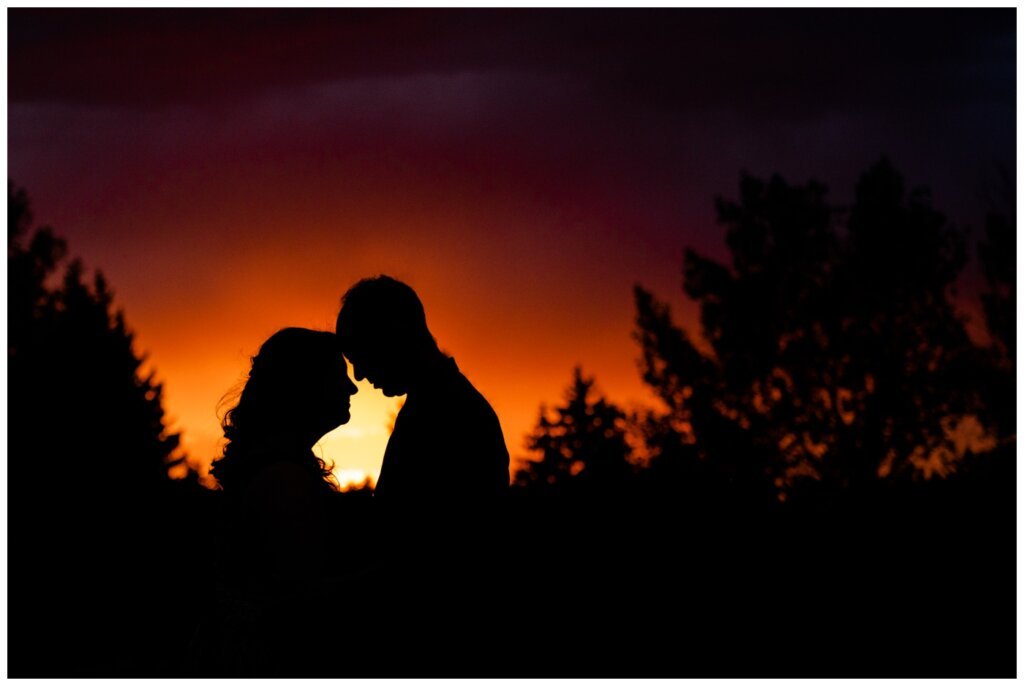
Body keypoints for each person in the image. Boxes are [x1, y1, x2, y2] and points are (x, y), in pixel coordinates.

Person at [188, 327, 358, 676]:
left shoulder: (269, 468)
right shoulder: (283, 481)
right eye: (338, 376)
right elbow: (301, 603)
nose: (352, 387)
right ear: (304, 385)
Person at [335, 276, 510, 499]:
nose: (359, 375)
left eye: (360, 356)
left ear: (391, 336)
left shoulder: (446, 411)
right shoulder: (440, 403)